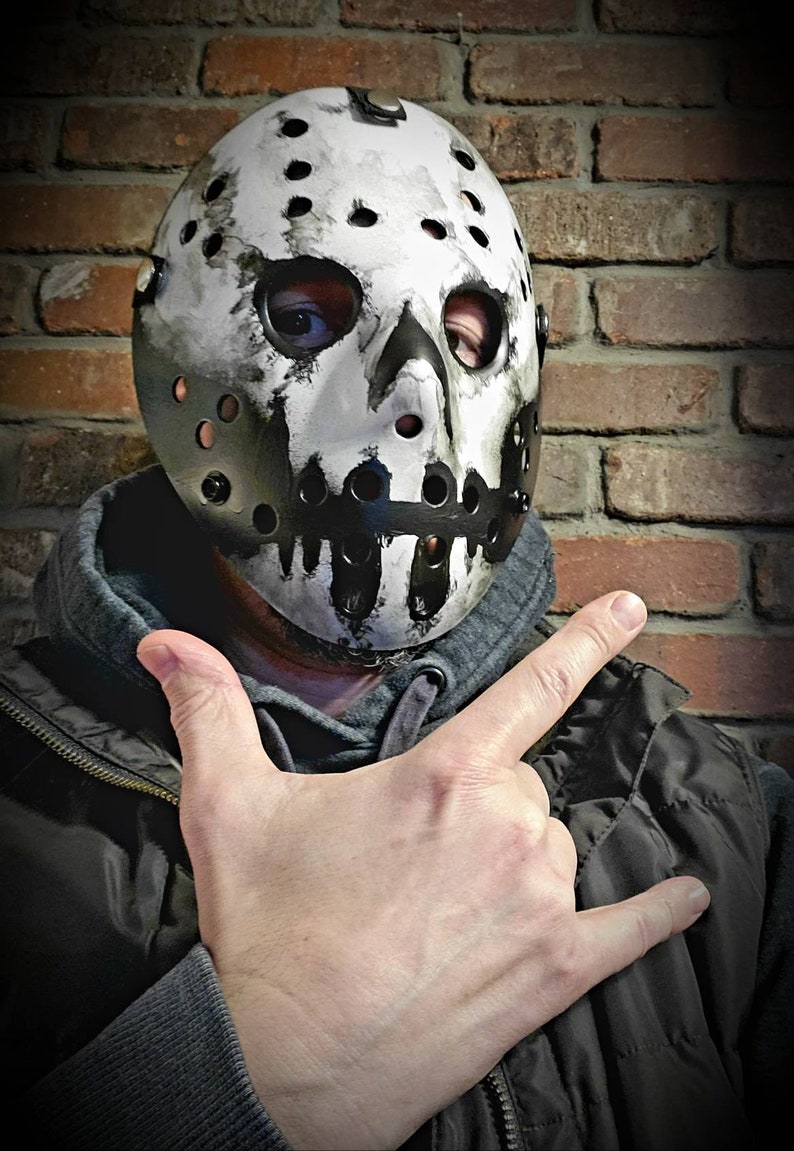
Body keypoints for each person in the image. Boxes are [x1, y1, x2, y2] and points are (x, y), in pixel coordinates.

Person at [0, 87, 791, 1150]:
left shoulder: (720, 819)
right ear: (177, 343)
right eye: (305, 321)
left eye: (463, 339)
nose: (412, 396)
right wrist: (229, 1085)